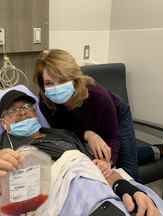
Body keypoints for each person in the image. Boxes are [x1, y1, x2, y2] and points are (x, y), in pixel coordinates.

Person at [0, 90, 163, 216]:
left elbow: (96, 168)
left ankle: (158, 151)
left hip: (99, 186)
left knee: (145, 206)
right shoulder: (2, 153)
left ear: (36, 113)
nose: (21, 112)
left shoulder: (63, 134)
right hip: (61, 201)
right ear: (3, 123)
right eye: (13, 110)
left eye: (26, 107)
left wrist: (126, 188)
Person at [33, 49, 141, 179]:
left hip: (117, 115)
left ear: (74, 78)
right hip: (86, 128)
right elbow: (64, 132)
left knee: (127, 171)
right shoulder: (45, 101)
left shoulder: (97, 96)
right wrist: (88, 134)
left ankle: (150, 151)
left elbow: (112, 135)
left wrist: (108, 161)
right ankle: (151, 151)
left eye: (62, 80)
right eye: (49, 83)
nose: (56, 87)